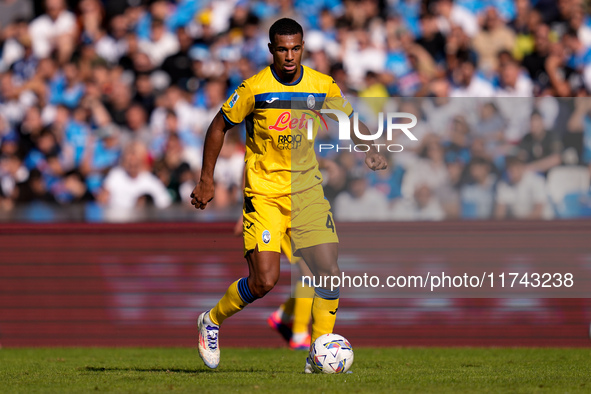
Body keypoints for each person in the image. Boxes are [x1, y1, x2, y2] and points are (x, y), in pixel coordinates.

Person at [190, 18, 386, 372]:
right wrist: (207, 179)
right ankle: (212, 320)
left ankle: (318, 353)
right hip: (264, 194)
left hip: (307, 191)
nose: (290, 55)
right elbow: (218, 125)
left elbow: (350, 118)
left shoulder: (321, 85)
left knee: (328, 271)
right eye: (282, 49)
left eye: (296, 48)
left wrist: (368, 147)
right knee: (265, 280)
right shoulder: (254, 88)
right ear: (271, 50)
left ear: (303, 47)